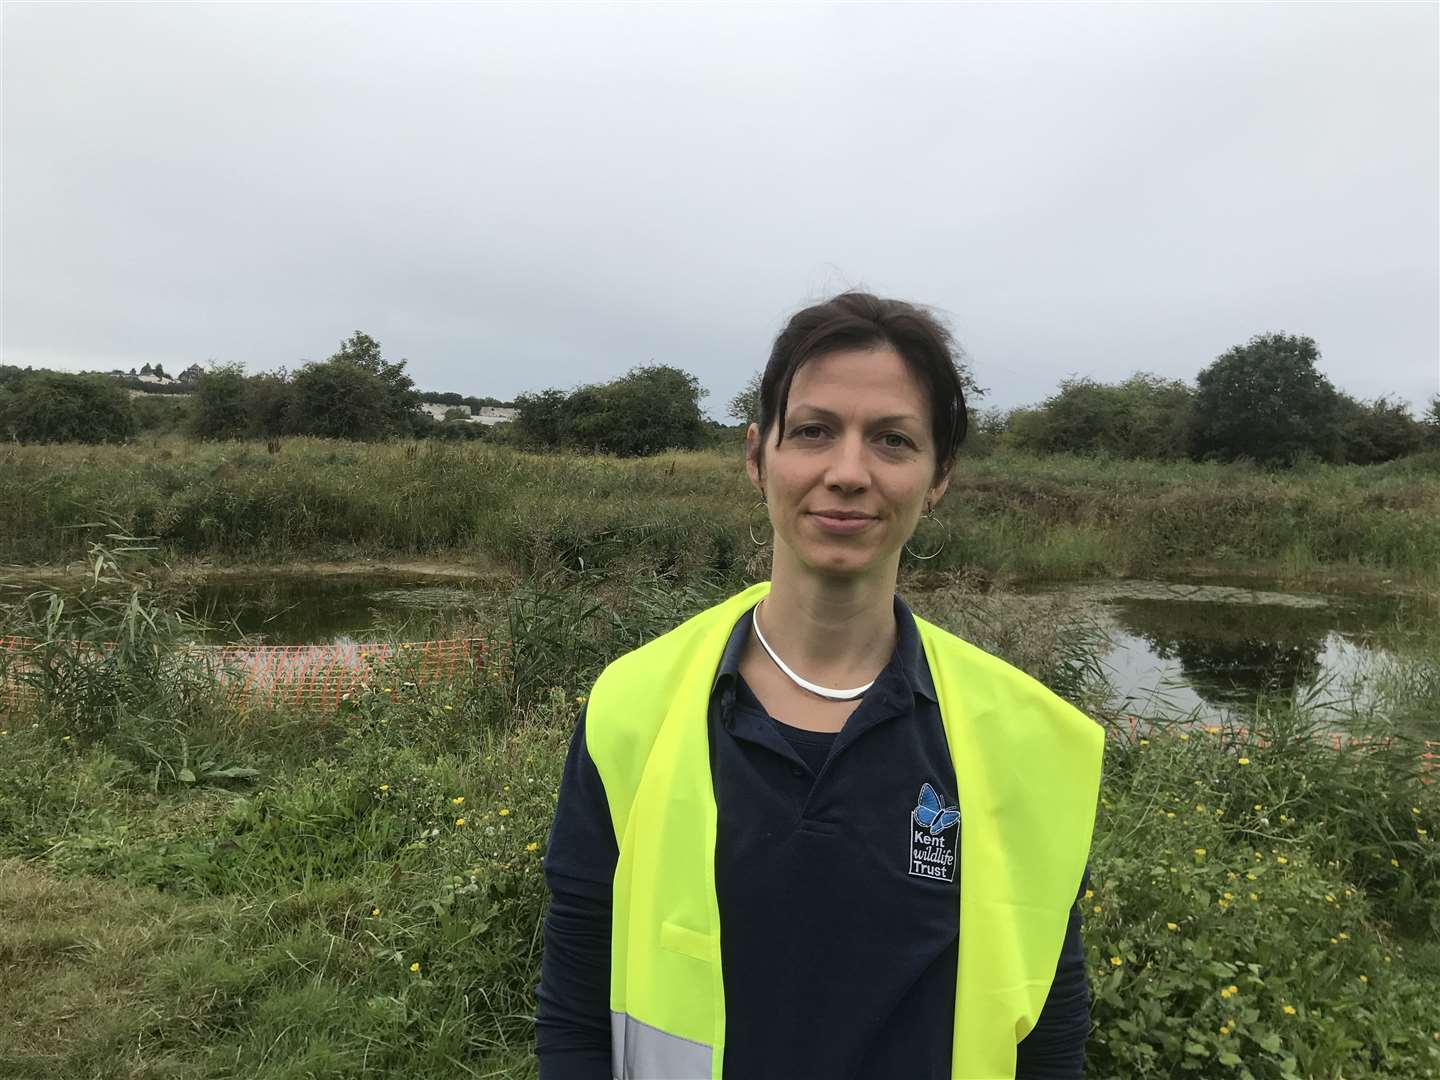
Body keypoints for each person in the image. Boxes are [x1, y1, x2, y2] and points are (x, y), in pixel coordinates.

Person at [534, 292, 1104, 1080]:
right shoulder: (633, 706)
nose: (847, 473)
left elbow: (1050, 1033)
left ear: (939, 476)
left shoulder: (1033, 740)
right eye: (812, 431)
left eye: (893, 441)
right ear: (756, 455)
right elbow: (574, 1014)